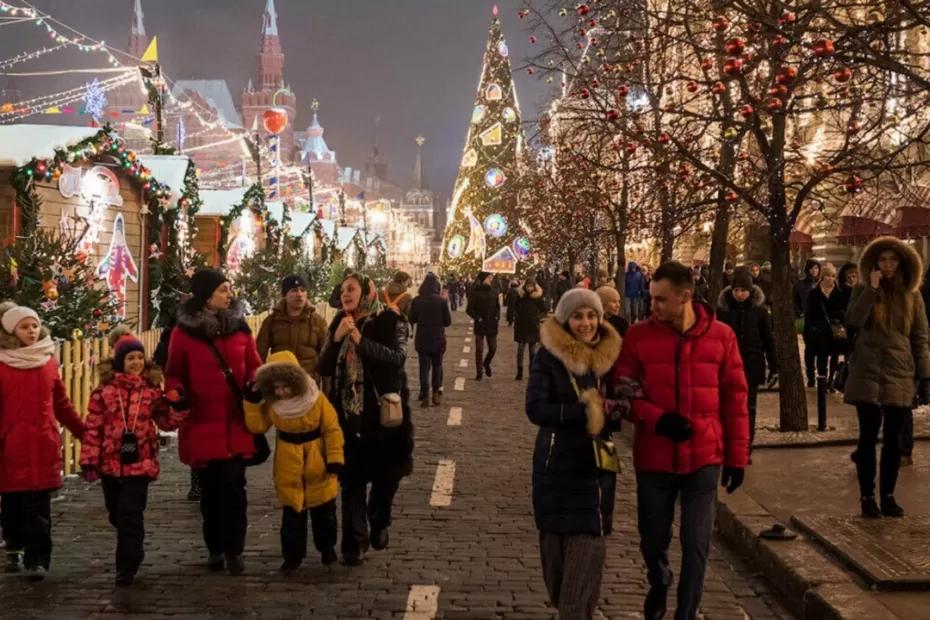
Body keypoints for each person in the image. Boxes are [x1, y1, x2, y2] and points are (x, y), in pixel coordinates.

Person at [612, 261, 749, 620]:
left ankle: (685, 613)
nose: (652, 305)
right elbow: (623, 392)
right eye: (651, 298)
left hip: (704, 457)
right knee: (652, 539)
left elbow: (736, 399)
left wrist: (738, 457)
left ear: (684, 297)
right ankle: (659, 580)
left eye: (660, 299)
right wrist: (657, 420)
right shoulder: (638, 337)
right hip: (655, 457)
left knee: (697, 544)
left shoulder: (721, 336)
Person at [526, 288, 625, 618]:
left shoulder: (613, 355)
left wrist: (621, 405)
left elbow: (628, 394)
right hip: (555, 468)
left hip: (595, 471)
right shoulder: (549, 356)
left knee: (577, 590)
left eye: (592, 315)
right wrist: (581, 412)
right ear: (565, 319)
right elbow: (536, 408)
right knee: (556, 576)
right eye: (578, 316)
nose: (586, 323)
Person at [164, 268, 263, 576]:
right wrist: (176, 394)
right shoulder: (183, 332)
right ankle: (215, 547)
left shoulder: (240, 328)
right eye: (223, 289)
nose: (228, 294)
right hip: (203, 423)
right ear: (207, 295)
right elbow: (174, 372)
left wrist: (254, 386)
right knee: (211, 492)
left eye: (229, 288)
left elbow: (254, 365)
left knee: (235, 489)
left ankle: (235, 549)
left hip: (235, 423)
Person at [318, 273, 414, 566]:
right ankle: (354, 544)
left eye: (352, 289)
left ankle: (379, 520)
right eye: (343, 289)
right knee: (352, 482)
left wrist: (361, 341)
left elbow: (396, 358)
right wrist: (336, 340)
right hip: (348, 416)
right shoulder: (338, 322)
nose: (346, 294)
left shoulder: (390, 321)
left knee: (386, 479)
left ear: (367, 291)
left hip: (383, 416)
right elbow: (323, 367)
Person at [79, 336, 187, 586]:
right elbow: (93, 428)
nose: (136, 362)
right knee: (116, 514)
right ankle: (129, 545)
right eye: (130, 358)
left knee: (130, 514)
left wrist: (179, 406)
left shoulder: (151, 391)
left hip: (140, 463)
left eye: (140, 357)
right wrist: (88, 460)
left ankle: (127, 565)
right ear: (120, 361)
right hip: (110, 463)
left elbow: (166, 422)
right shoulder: (104, 392)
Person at [844, 237, 930, 518]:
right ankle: (867, 496)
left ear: (902, 262)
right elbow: (854, 320)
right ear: (874, 263)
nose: (888, 265)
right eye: (882, 260)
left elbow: (920, 336)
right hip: (867, 370)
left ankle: (888, 495)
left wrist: (925, 374)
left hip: (899, 371)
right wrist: (871, 289)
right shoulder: (863, 289)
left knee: (893, 439)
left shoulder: (912, 294)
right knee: (867, 437)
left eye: (892, 260)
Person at [0, 303, 85, 581]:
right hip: (11, 445)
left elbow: (61, 402)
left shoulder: (48, 361)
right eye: (25, 327)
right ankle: (14, 549)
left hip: (43, 443)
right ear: (12, 330)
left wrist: (82, 431)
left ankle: (38, 558)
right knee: (12, 503)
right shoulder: (3, 364)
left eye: (35, 325)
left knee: (38, 506)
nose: (32, 331)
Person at [244, 350, 345, 573]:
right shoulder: (272, 405)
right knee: (292, 514)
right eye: (276, 388)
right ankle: (292, 556)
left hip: (317, 458)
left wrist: (335, 457)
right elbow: (257, 426)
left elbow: (331, 428)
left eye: (285, 386)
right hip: (288, 460)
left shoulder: (316, 399)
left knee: (324, 511)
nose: (280, 392)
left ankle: (327, 548)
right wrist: (251, 403)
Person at [716, 268, 777, 448]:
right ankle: (730, 442)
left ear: (750, 291)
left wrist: (774, 365)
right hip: (727, 366)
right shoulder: (723, 310)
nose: (740, 294)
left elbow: (768, 338)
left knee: (749, 408)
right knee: (728, 407)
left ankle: (745, 444)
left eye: (743, 290)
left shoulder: (759, 311)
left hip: (752, 365)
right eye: (736, 290)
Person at [256, 274, 328, 382]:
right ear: (284, 295)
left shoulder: (318, 322)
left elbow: (326, 359)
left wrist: (328, 394)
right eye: (294, 290)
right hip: (281, 386)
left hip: (309, 385)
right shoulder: (271, 322)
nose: (299, 294)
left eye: (303, 290)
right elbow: (259, 355)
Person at [409, 273, 452, 406]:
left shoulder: (417, 300)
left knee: (423, 367)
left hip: (422, 337)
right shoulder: (441, 301)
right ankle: (436, 393)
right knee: (437, 366)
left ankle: (425, 394)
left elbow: (412, 318)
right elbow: (447, 321)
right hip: (437, 337)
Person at [804, 264, 846, 391]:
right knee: (821, 357)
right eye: (827, 275)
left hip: (834, 330)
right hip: (820, 331)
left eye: (832, 276)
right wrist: (811, 329)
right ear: (822, 277)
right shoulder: (814, 293)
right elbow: (809, 314)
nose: (830, 278)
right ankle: (821, 380)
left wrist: (839, 319)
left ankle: (830, 381)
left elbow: (843, 311)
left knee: (834, 356)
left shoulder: (839, 293)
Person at [466, 271, 501, 381]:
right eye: (488, 278)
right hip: (480, 325)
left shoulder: (494, 292)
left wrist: (497, 316)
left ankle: (486, 363)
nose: (490, 280)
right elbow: (469, 309)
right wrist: (478, 318)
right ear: (483, 279)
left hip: (492, 324)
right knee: (479, 349)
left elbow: (497, 307)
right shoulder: (475, 293)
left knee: (493, 348)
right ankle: (479, 372)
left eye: (491, 278)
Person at [512, 277, 547, 380]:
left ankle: (531, 372)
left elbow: (544, 310)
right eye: (528, 286)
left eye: (531, 286)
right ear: (525, 286)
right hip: (521, 325)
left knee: (532, 351)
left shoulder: (538, 297)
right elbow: (515, 307)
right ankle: (519, 371)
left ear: (534, 287)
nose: (529, 288)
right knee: (520, 349)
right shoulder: (520, 295)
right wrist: (516, 316)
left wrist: (538, 318)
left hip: (532, 326)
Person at [793, 259, 821, 387]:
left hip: (820, 321)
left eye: (817, 268)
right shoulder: (801, 285)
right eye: (812, 268)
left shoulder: (822, 283)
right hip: (807, 320)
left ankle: (822, 376)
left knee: (821, 348)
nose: (814, 271)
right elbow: (794, 300)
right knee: (810, 348)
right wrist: (799, 312)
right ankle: (811, 376)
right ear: (807, 269)